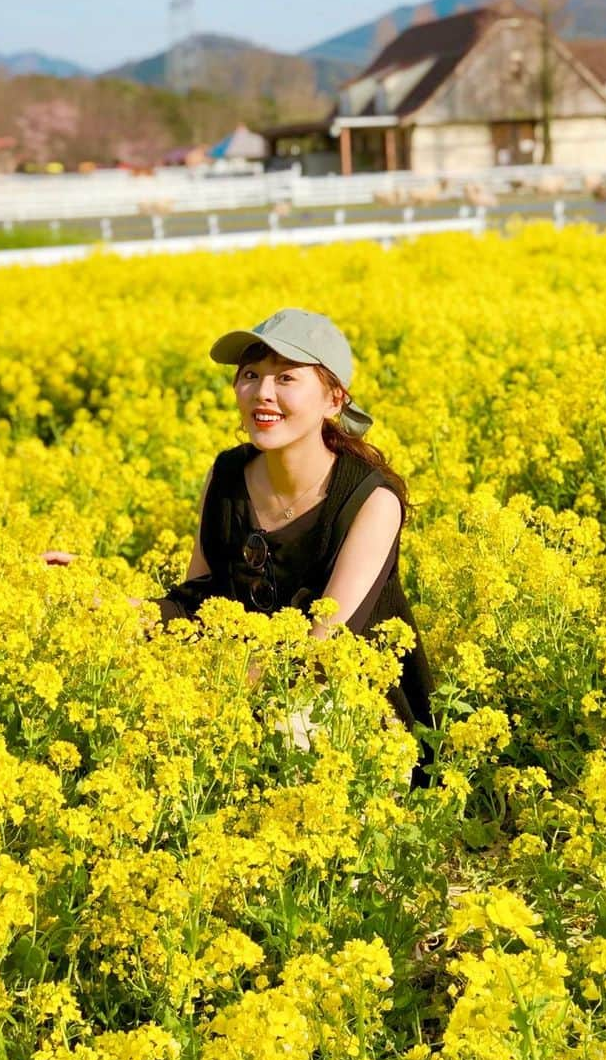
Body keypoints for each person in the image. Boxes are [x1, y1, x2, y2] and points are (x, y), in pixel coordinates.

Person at [43, 308, 435, 786]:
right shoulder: (227, 476)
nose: (262, 393)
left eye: (286, 378)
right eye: (251, 375)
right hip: (238, 687)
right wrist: (104, 603)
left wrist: (211, 692)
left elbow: (325, 654)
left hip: (344, 714)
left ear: (334, 399)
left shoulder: (371, 499)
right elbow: (196, 605)